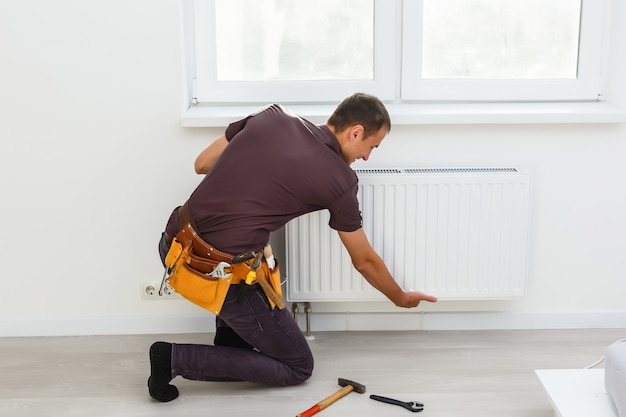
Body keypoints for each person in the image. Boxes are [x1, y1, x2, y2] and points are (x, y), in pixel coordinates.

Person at [149, 92, 438, 402]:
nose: (367, 157)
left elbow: (202, 164)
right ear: (355, 132)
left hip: (175, 240)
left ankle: (230, 338)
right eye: (371, 146)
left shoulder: (272, 115)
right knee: (298, 366)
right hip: (210, 270)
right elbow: (364, 260)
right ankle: (172, 359)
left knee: (253, 249)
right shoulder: (340, 180)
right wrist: (401, 298)